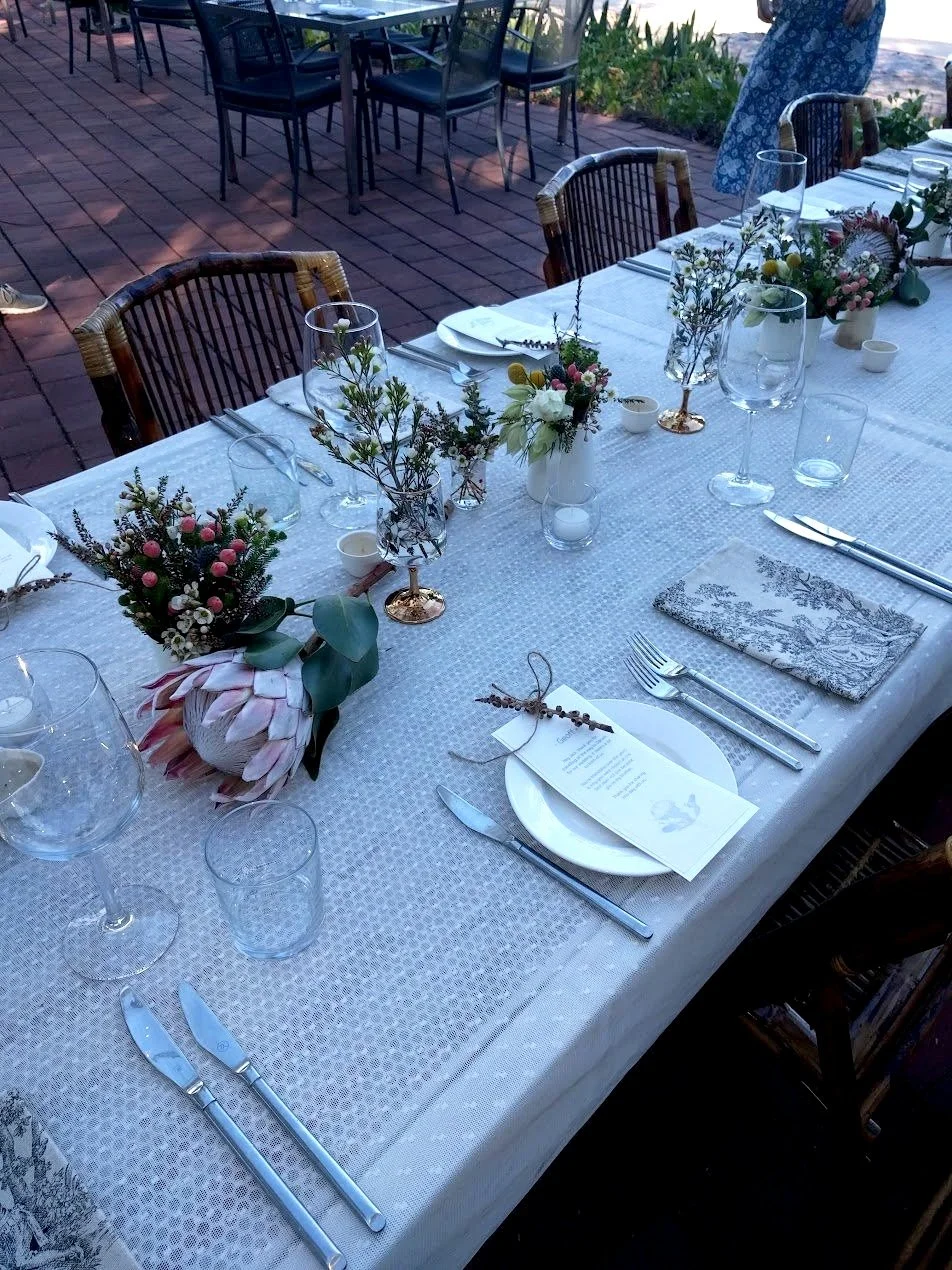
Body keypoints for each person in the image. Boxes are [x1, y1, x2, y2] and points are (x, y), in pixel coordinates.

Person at [713, 0, 886, 195]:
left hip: (847, 22)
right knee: (757, 102)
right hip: (798, 10)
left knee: (814, 124)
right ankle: (763, 211)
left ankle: (788, 210)